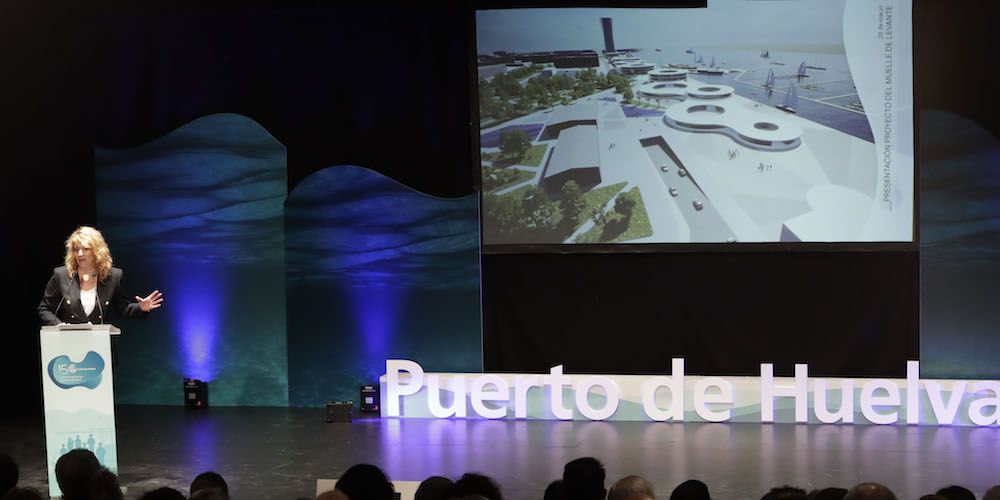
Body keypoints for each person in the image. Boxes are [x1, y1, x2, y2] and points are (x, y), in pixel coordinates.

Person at [38, 226, 163, 325]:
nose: (80, 254)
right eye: (76, 249)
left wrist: (141, 307)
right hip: (69, 343)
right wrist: (60, 326)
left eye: (85, 249)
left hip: (100, 344)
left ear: (96, 251)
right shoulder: (61, 275)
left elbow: (123, 309)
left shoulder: (113, 276)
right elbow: (44, 309)